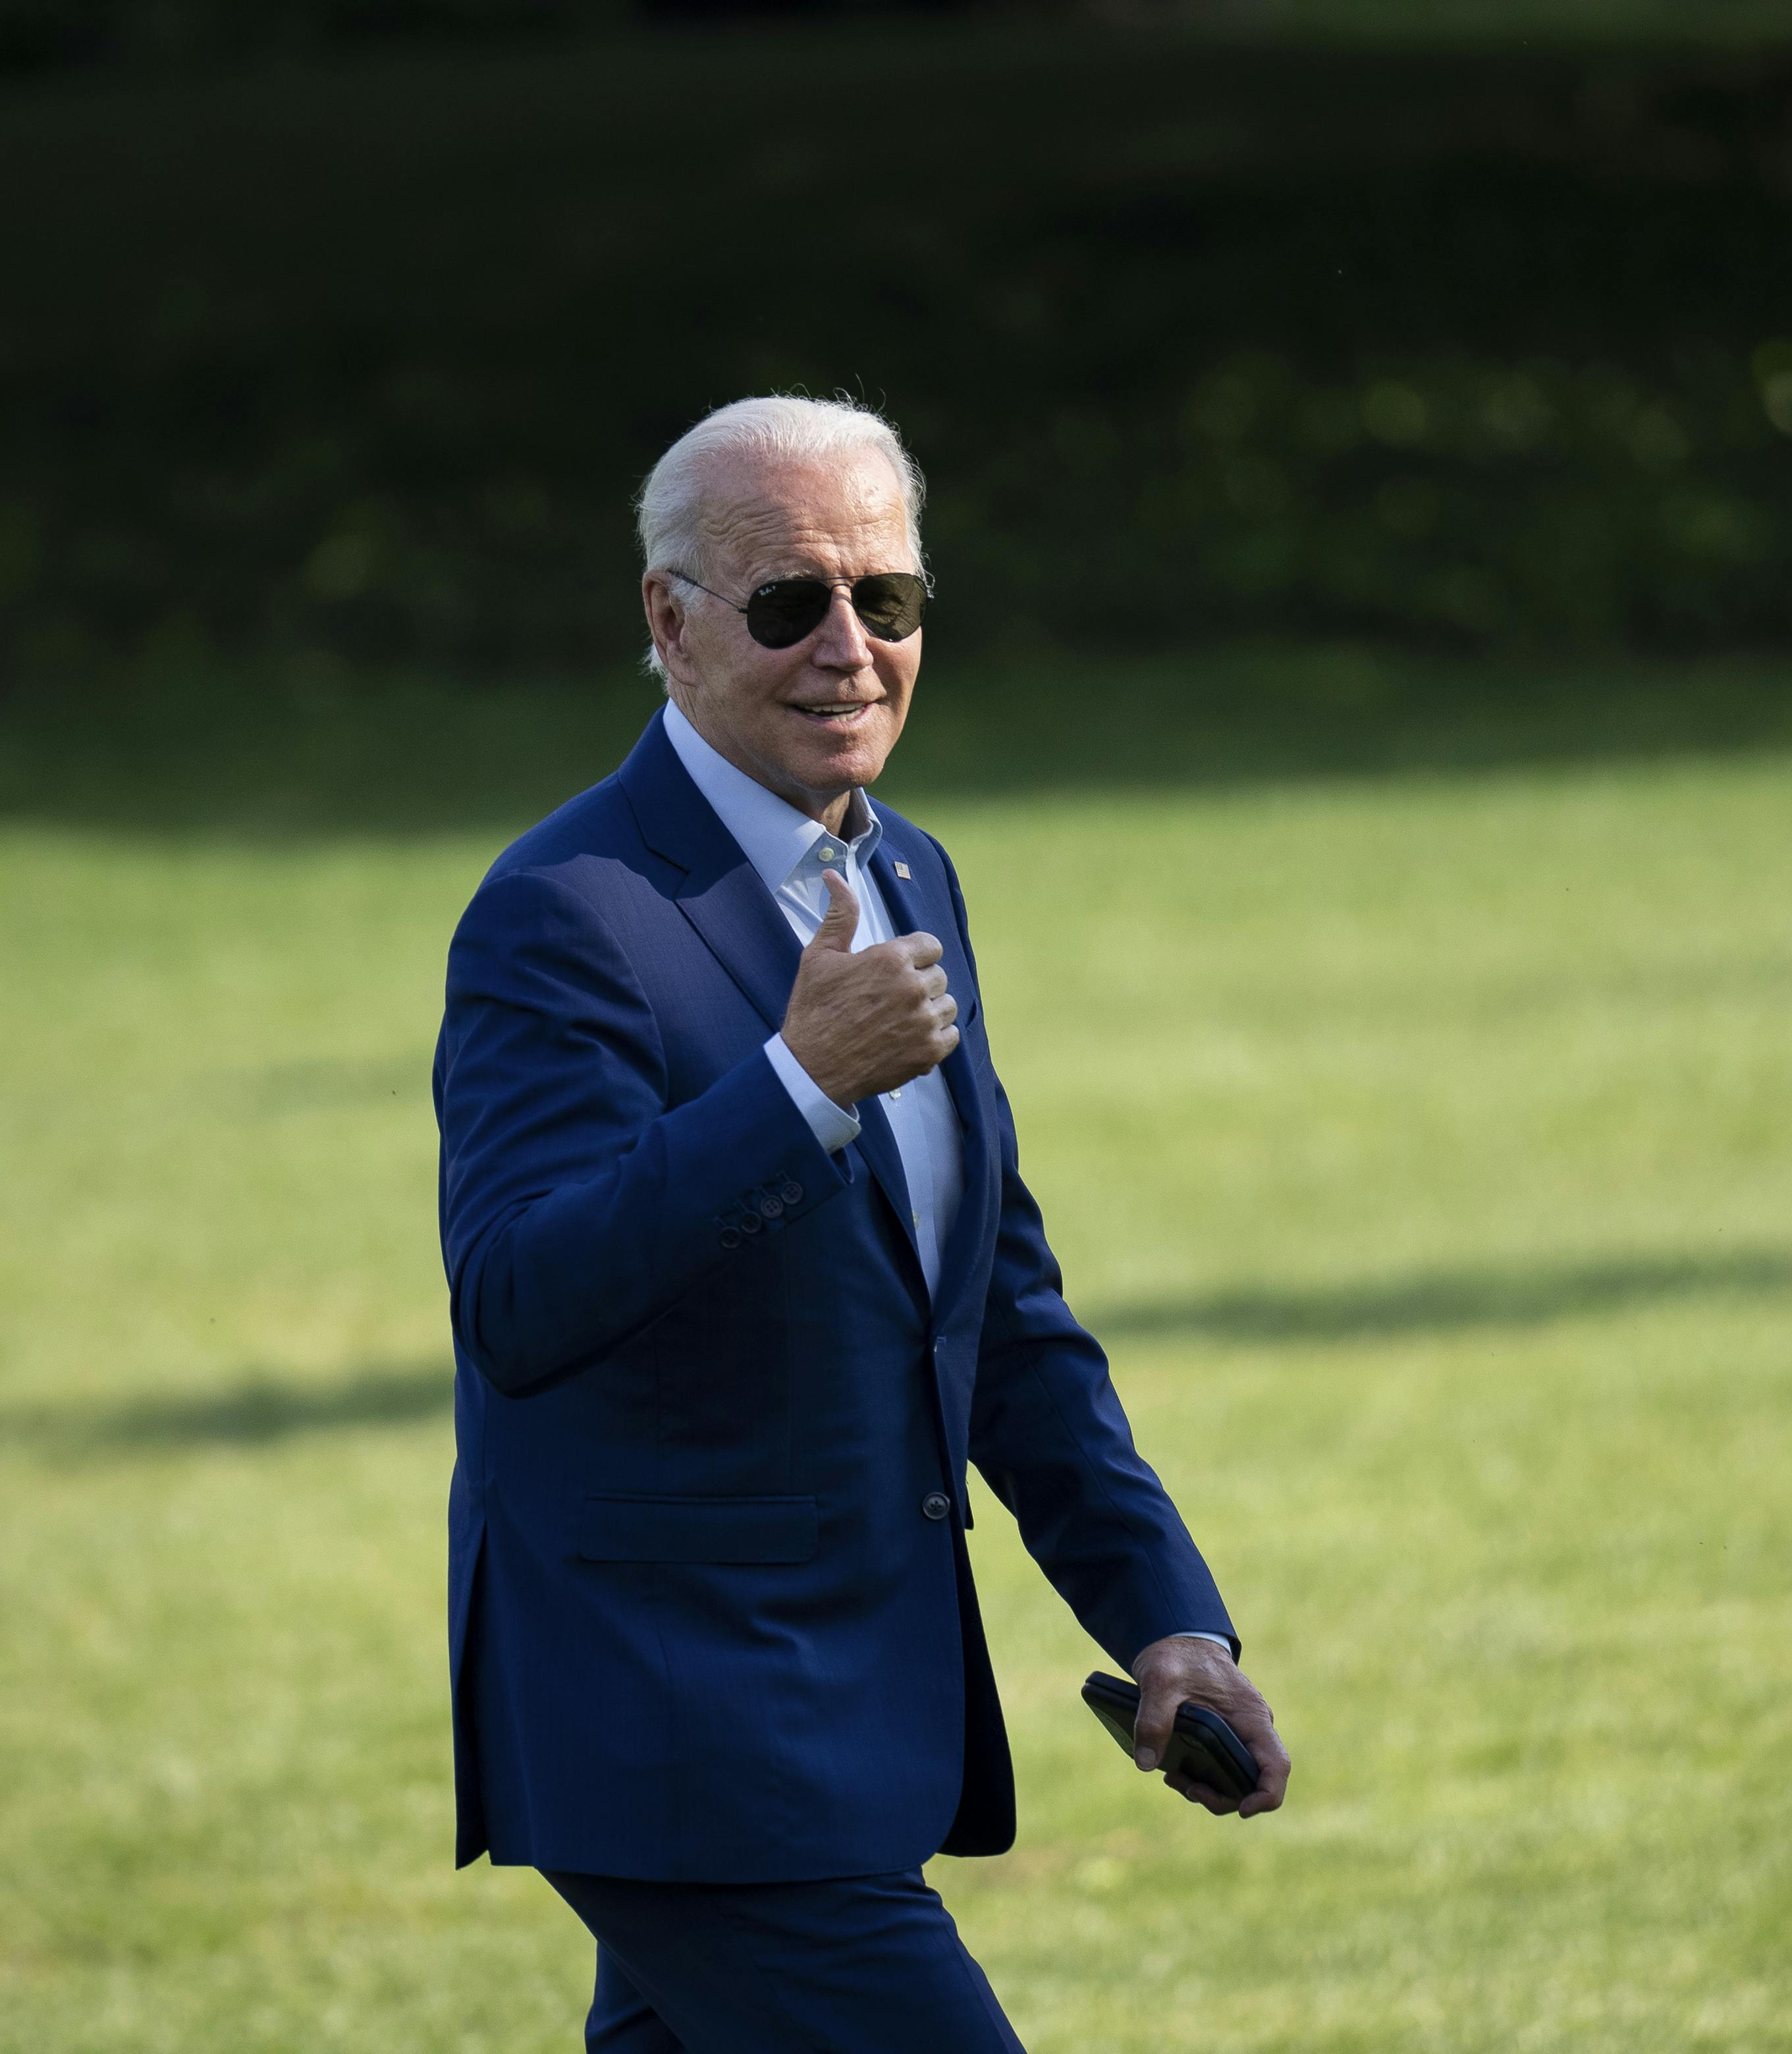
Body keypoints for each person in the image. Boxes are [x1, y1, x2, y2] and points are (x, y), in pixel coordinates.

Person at [432, 393, 1291, 2051]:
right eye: (788, 602)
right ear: (666, 624)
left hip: (842, 1706)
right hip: (679, 1724)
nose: (848, 647)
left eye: (884, 600)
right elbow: (521, 1293)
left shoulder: (908, 875)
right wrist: (796, 1084)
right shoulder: (564, 914)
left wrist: (1164, 1616)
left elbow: (994, 1317)